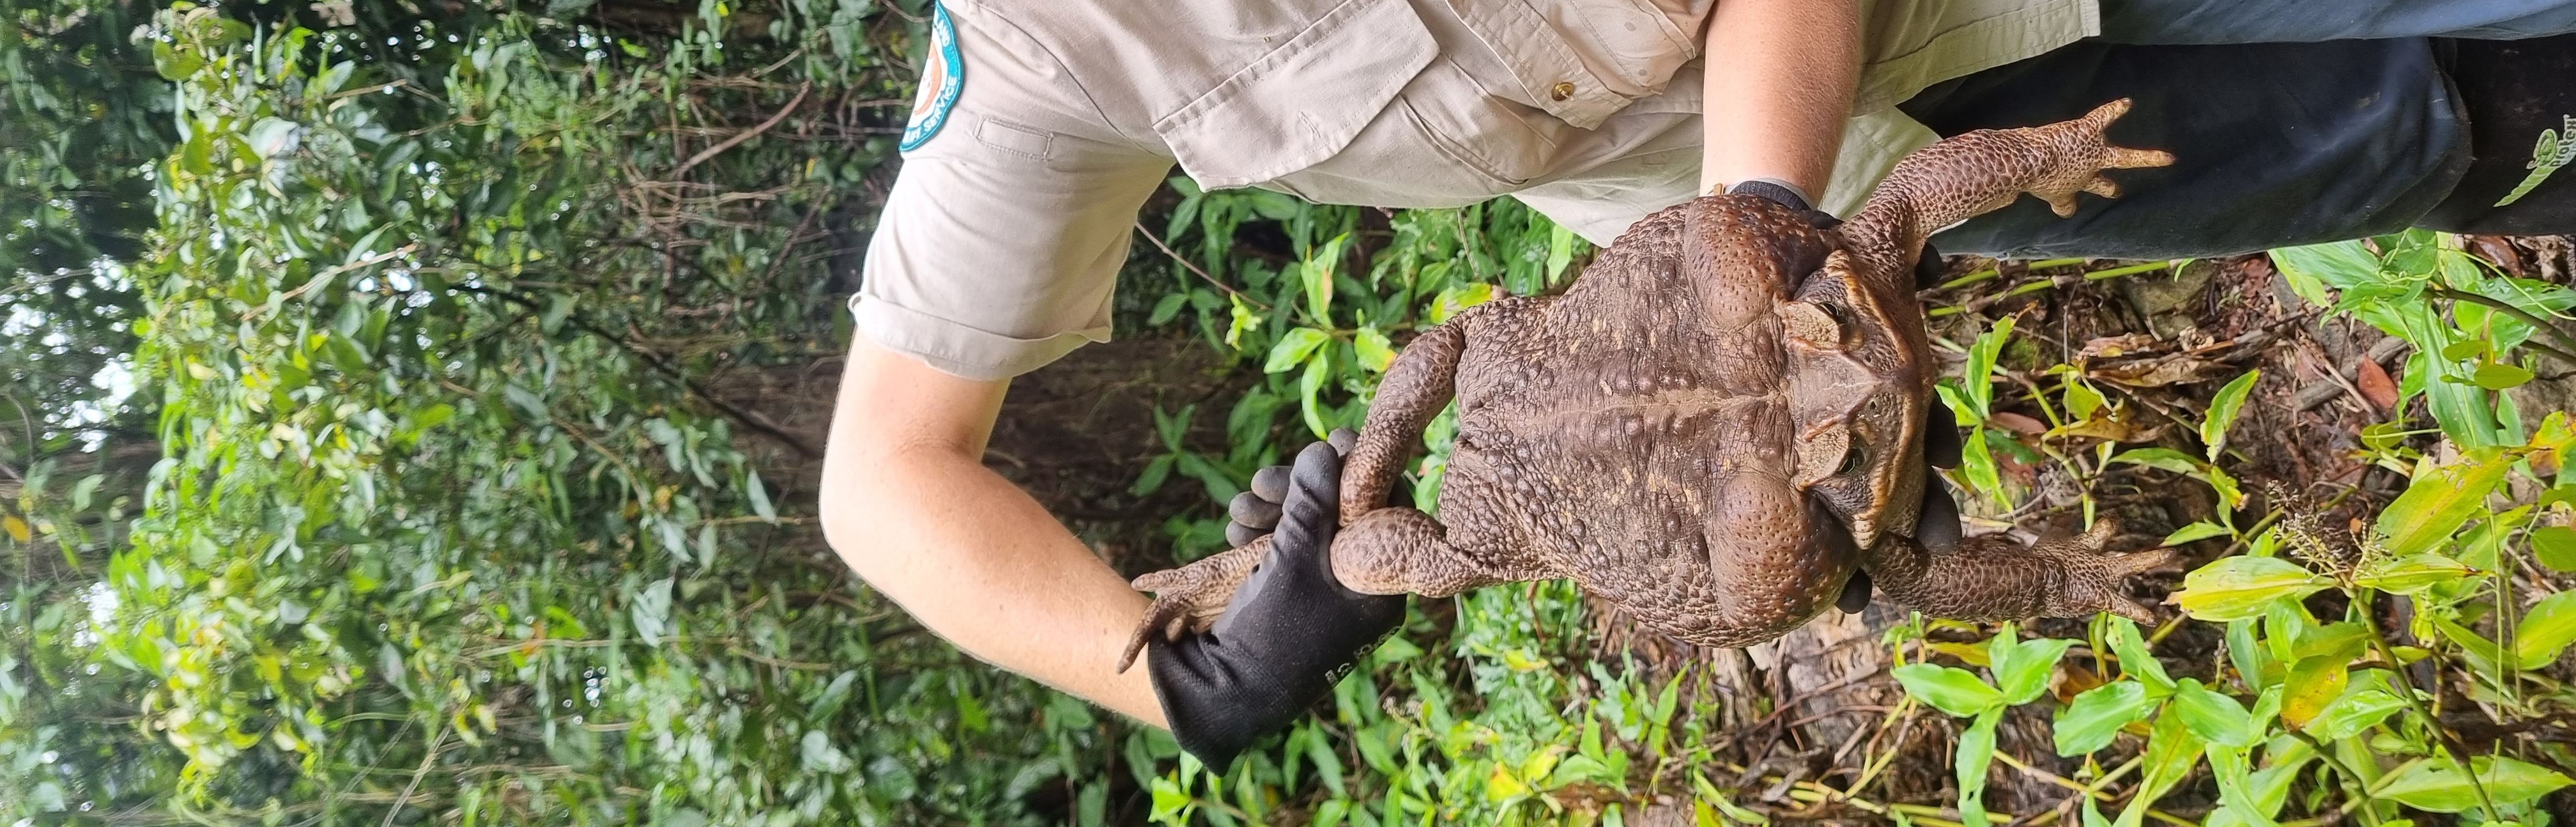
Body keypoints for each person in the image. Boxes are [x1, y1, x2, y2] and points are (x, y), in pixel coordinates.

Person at [817, 0, 2576, 768]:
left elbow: (1863, 225)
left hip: (1799, 228)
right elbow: (884, 481)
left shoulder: (1802, 265)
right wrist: (1196, 675)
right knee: (2444, 137)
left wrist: (1772, 253)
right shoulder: (1038, 52)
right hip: (1809, 245)